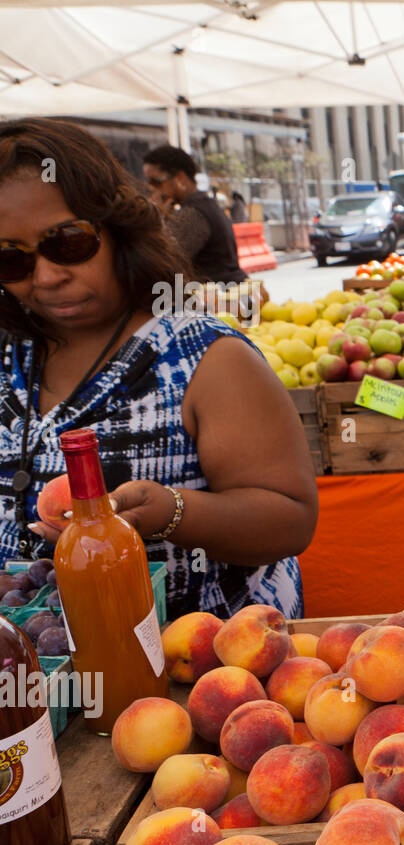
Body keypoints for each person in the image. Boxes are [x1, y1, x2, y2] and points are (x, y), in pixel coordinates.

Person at [1, 118, 318, 618]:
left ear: (117, 228)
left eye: (67, 242)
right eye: (9, 259)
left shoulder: (206, 358)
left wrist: (172, 512)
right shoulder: (10, 356)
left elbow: (290, 521)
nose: (47, 275)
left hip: (196, 676)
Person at [141, 145, 249, 285]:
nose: (151, 189)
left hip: (219, 299)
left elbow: (161, 263)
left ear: (180, 178)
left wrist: (156, 219)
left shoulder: (193, 214)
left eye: (156, 182)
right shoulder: (206, 204)